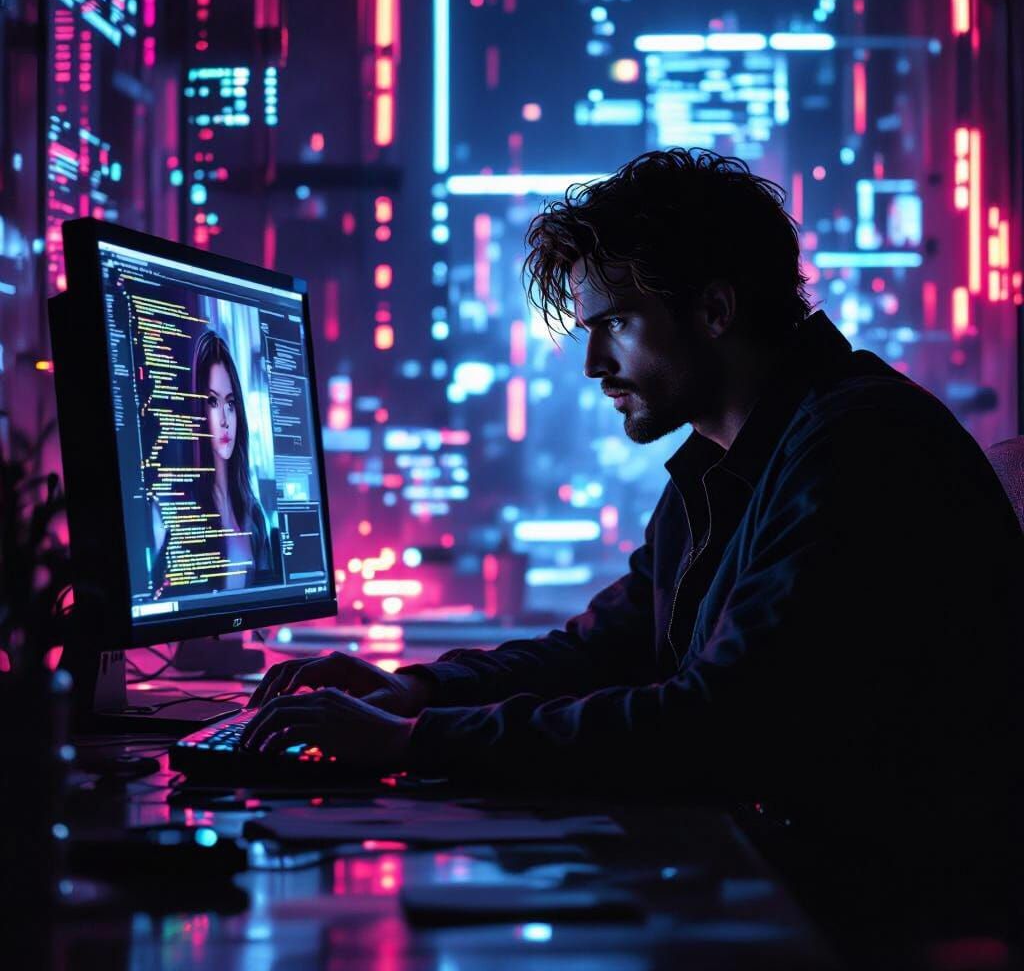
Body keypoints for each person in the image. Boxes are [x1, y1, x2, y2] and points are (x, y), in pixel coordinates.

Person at [240, 149, 1020, 952]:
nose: (593, 365)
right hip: (794, 879)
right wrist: (414, 692)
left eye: (614, 323)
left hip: (874, 922)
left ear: (715, 309)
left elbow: (720, 725)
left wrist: (415, 743)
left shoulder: (856, 447)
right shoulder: (732, 462)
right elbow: (604, 649)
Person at [153, 328, 277, 594]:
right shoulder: (179, 512)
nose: (224, 419)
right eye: (212, 402)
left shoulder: (253, 513)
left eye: (230, 404)